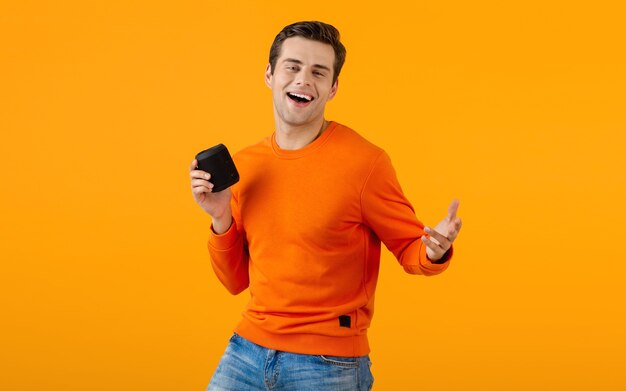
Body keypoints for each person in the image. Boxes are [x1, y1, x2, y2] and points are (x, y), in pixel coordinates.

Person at [190, 21, 462, 391]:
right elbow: (235, 282)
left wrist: (435, 249)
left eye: (318, 72)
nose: (304, 79)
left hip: (328, 363)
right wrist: (220, 216)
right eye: (293, 66)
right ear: (270, 74)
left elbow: (412, 250)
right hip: (247, 350)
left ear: (333, 88)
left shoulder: (365, 163)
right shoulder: (247, 165)